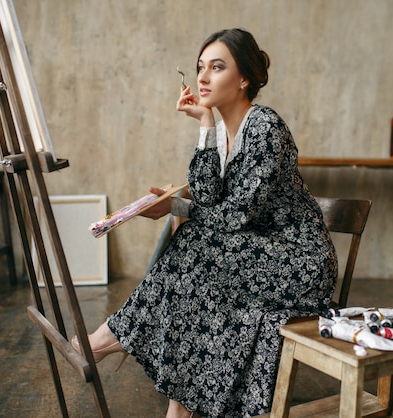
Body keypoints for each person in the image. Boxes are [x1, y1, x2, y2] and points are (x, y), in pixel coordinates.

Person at [72, 28, 338, 418]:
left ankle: (110, 337)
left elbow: (233, 216)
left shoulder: (265, 126)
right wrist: (204, 125)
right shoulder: (225, 134)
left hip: (298, 263)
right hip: (254, 255)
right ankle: (176, 409)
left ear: (244, 78)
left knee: (195, 238)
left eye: (217, 67)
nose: (202, 77)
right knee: (200, 279)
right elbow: (210, 197)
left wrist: (178, 208)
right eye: (200, 67)